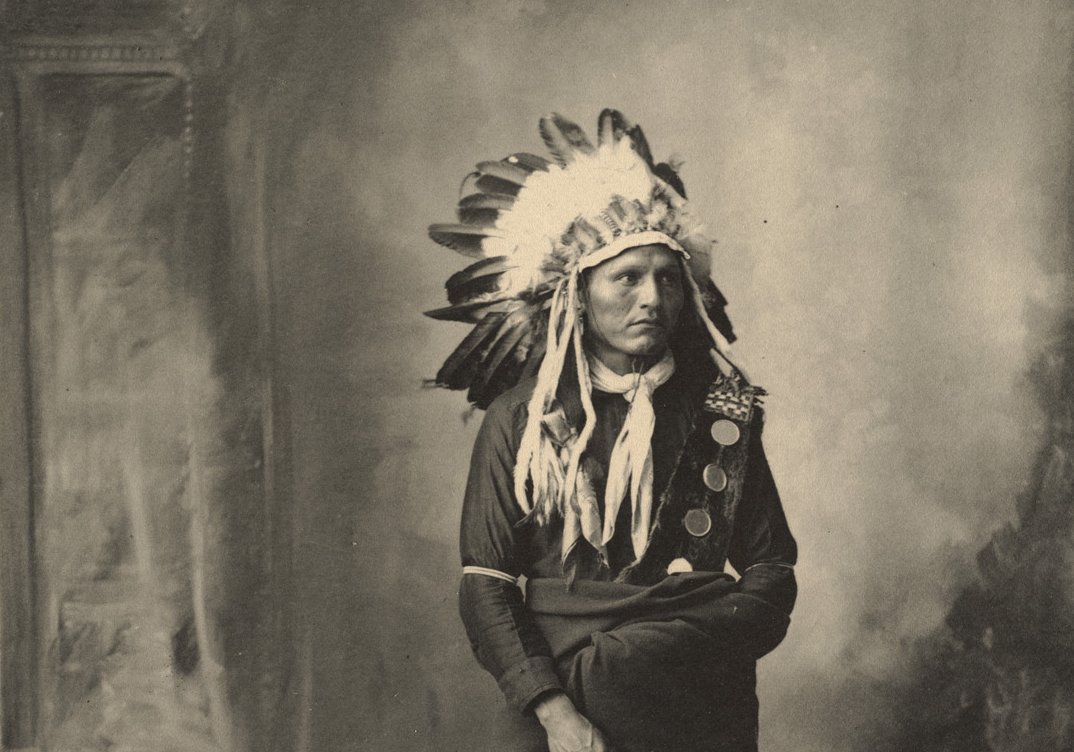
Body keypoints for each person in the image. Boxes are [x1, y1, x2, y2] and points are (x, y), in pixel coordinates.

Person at [426, 111, 797, 752]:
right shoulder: (522, 420)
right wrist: (556, 716)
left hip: (701, 708)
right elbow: (486, 584)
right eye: (626, 277)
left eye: (667, 277)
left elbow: (771, 567)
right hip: (563, 714)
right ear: (577, 295)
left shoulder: (724, 413)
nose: (651, 297)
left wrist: (667, 647)